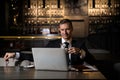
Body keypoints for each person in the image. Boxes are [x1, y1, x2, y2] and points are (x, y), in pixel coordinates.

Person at [4, 19, 95, 67]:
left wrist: (80, 52)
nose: (65, 32)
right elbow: (35, 56)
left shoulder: (80, 44)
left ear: (71, 30)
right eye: (62, 30)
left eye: (67, 29)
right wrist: (15, 54)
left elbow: (93, 61)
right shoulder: (52, 44)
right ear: (59, 30)